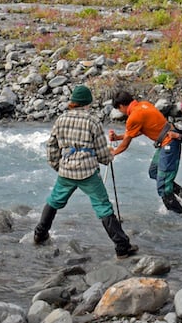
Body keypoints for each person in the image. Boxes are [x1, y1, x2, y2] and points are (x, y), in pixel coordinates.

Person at [33, 84, 137, 259]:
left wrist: (57, 165)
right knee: (103, 206)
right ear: (87, 103)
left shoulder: (61, 119)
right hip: (88, 172)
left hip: (66, 170)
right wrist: (108, 159)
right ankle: (122, 247)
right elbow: (101, 150)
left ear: (73, 102)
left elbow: (51, 146)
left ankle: (40, 234)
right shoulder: (92, 121)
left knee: (54, 200)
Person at [109, 89, 182, 213]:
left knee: (163, 187)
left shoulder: (134, 116)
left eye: (119, 109)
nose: (121, 112)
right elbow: (138, 131)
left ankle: (180, 217)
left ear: (121, 106)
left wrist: (112, 153)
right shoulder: (144, 105)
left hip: (169, 143)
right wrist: (117, 137)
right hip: (168, 140)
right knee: (154, 172)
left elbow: (126, 144)